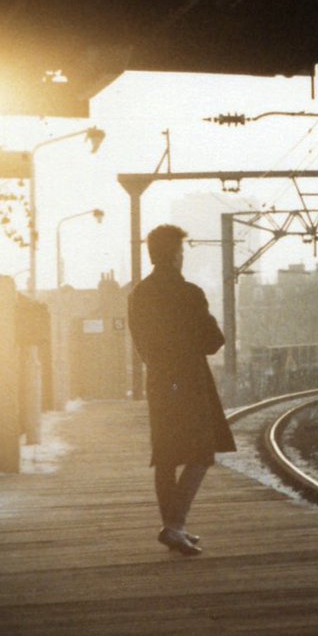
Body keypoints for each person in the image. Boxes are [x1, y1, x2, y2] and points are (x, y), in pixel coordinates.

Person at [128, 224, 234, 556]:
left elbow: (141, 342)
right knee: (201, 454)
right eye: (182, 252)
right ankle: (175, 525)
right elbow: (213, 341)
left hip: (161, 381)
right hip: (187, 381)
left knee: (166, 456)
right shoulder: (189, 293)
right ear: (175, 255)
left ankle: (175, 527)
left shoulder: (139, 294)